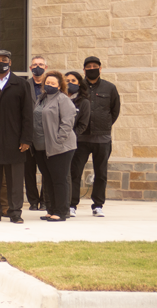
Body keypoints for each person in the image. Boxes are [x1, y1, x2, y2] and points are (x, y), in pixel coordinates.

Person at [0, 50, 33, 224]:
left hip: (15, 141)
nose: (1, 63)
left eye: (4, 60)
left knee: (15, 181)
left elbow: (28, 113)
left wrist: (26, 139)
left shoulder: (21, 84)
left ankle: (15, 212)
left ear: (10, 63)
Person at [71, 56, 120, 217]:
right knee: (75, 172)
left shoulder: (110, 88)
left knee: (101, 173)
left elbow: (114, 111)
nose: (92, 68)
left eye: (95, 66)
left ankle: (98, 205)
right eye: (88, 66)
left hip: (102, 138)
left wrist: (104, 125)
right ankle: (72, 204)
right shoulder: (78, 87)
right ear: (84, 70)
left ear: (100, 69)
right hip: (81, 138)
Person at [33, 72, 78, 222]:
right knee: (48, 179)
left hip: (60, 147)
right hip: (42, 147)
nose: (49, 85)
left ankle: (61, 211)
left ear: (59, 86)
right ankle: (50, 209)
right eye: (48, 82)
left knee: (59, 179)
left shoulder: (63, 100)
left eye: (53, 83)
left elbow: (67, 122)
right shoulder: (41, 99)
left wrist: (59, 140)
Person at [63, 71, 91, 215]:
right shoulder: (58, 99)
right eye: (67, 80)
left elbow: (83, 125)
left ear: (79, 83)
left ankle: (72, 204)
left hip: (76, 144)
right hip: (59, 143)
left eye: (73, 80)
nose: (70, 83)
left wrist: (71, 136)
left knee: (74, 174)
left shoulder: (83, 102)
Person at [23, 55, 48, 211]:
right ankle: (33, 200)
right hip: (28, 134)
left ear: (45, 67)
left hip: (46, 135)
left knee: (46, 170)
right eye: (34, 65)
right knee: (28, 170)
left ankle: (45, 199)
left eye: (41, 64)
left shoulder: (51, 85)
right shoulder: (24, 85)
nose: (37, 67)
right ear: (30, 68)